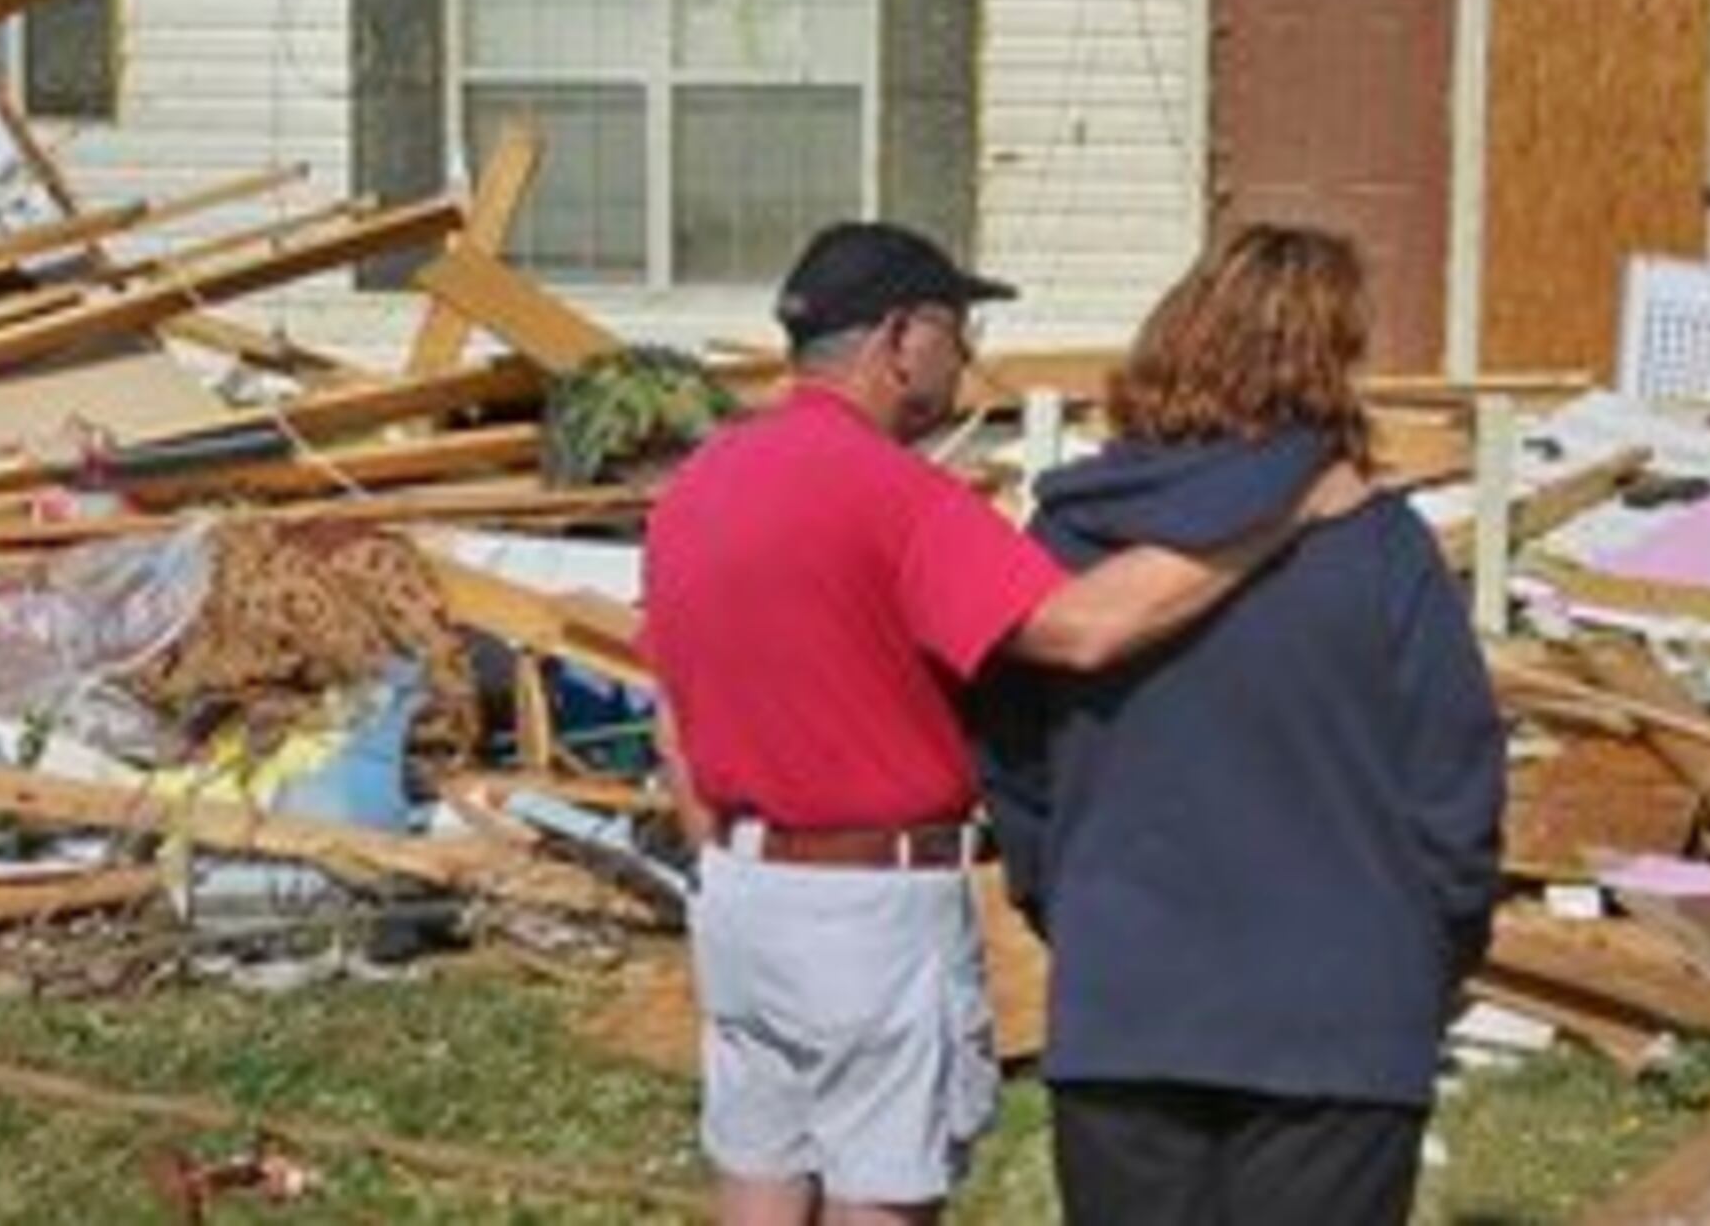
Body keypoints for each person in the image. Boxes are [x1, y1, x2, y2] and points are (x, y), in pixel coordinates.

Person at [642, 222, 1354, 1226]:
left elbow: (673, 715)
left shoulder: (700, 482)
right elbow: (1084, 629)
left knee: (760, 1177)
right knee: (880, 1190)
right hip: (870, 903)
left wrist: (719, 851)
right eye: (956, 330)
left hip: (741, 889)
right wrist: (1281, 518)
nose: (966, 357)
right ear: (899, 336)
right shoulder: (897, 493)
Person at [980, 226, 1508, 1226]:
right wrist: (1434, 950)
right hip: (1340, 1008)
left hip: (1129, 995)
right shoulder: (1380, 547)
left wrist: (1071, 902)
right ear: (1333, 363)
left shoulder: (1072, 538)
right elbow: (1455, 783)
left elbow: (1013, 761)